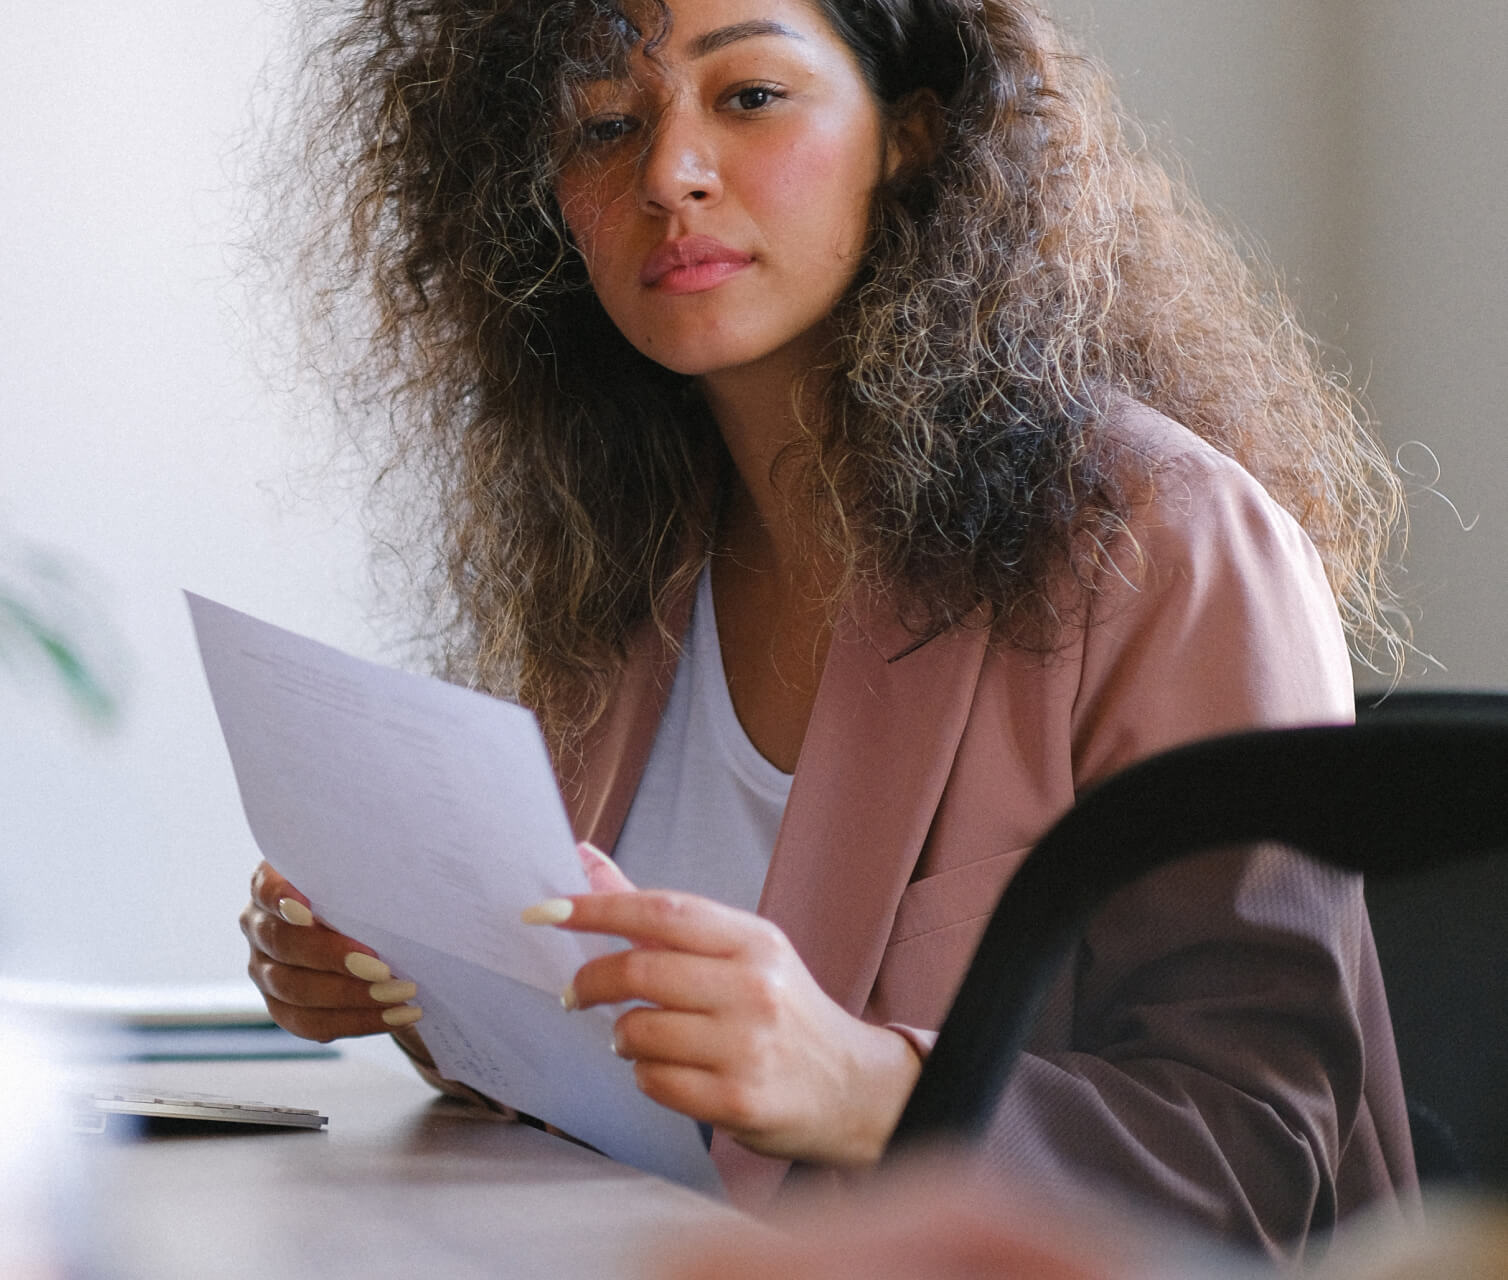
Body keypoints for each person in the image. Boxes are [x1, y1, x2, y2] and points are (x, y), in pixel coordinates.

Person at [238, 0, 1415, 1254]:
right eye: (603, 121)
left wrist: (855, 1081)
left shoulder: (1167, 542)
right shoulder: (614, 551)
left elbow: (1257, 1161)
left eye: (747, 97)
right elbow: (623, 1097)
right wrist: (422, 978)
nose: (668, 173)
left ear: (907, 135)